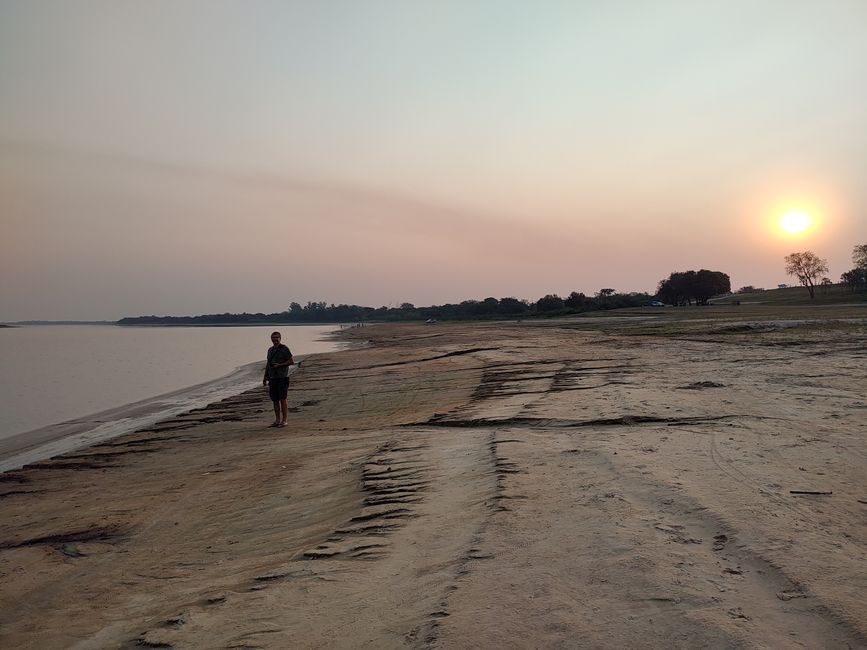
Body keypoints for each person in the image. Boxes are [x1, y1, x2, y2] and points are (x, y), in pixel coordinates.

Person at [263, 331, 294, 427]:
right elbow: (268, 363)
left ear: (280, 338)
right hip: (272, 378)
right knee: (275, 399)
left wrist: (279, 365)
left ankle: (284, 420)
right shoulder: (270, 350)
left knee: (282, 399)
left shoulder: (284, 349)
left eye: (276, 337)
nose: (275, 339)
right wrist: (265, 376)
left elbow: (291, 361)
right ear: (271, 339)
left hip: (282, 377)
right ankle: (277, 420)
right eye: (273, 337)